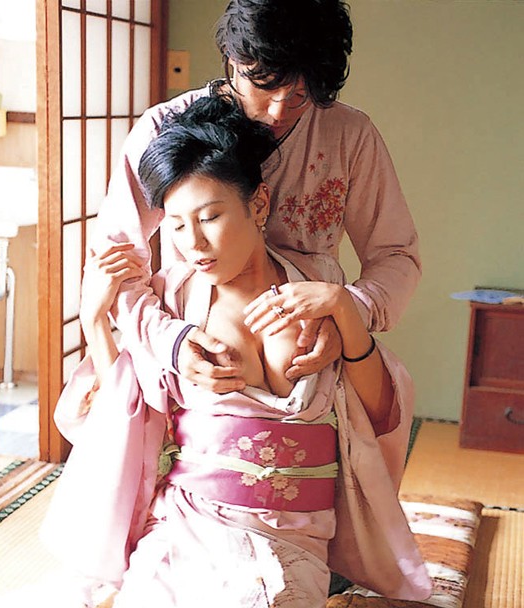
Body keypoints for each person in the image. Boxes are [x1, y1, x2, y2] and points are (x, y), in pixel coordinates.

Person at [41, 94, 431, 608]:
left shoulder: (315, 291)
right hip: (187, 528)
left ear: (259, 204)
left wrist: (345, 312)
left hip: (288, 544)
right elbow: (125, 414)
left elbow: (381, 410)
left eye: (211, 217)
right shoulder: (172, 306)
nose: (193, 243)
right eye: (175, 225)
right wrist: (95, 322)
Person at [91, 0, 421, 395]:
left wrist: (350, 315)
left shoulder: (349, 135)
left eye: (301, 95)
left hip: (309, 366)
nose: (279, 111)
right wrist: (168, 341)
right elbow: (114, 262)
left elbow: (396, 256)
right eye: (264, 86)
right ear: (233, 60)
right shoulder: (164, 129)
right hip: (199, 358)